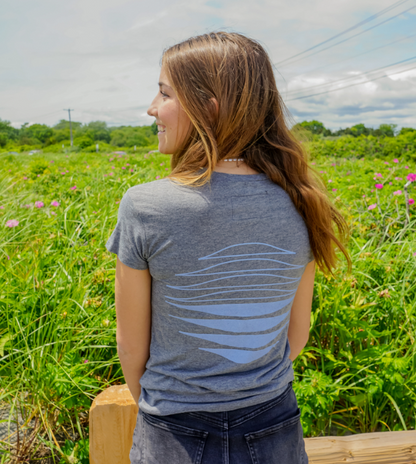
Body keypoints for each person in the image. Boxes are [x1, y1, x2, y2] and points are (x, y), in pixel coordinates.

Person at [105, 31, 351, 464]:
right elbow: (297, 335)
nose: (151, 108)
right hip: (274, 422)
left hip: (175, 428)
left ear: (208, 107)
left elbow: (131, 347)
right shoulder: (302, 198)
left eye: (164, 93)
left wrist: (167, 414)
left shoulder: (145, 205)